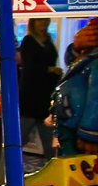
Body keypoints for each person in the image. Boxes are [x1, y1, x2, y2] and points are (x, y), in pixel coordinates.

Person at [55, 19, 98, 155]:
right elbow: (72, 63)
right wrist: (76, 48)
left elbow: (96, 98)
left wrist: (90, 133)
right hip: (70, 121)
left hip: (80, 126)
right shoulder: (89, 56)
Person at [19, 18, 60, 156]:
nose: (43, 23)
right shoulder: (29, 41)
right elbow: (29, 67)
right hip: (30, 95)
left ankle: (52, 169)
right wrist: (49, 69)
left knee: (48, 139)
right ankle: (8, 169)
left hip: (46, 95)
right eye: (39, 20)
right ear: (33, 22)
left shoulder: (48, 40)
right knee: (20, 136)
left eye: (45, 20)